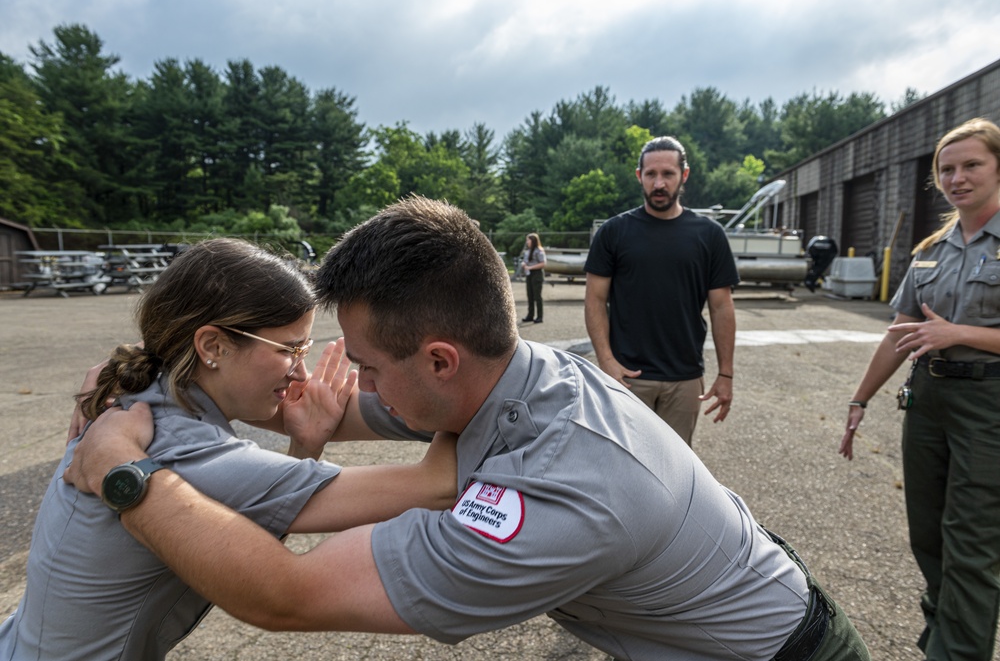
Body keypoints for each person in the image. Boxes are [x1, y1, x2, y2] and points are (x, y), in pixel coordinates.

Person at [66, 197, 870, 661]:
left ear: (441, 359)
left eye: (368, 365)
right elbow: (334, 409)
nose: (358, 384)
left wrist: (124, 474)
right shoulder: (508, 376)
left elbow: (284, 595)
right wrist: (270, 405)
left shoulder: (564, 495)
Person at [0, 238, 456, 661]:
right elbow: (437, 485)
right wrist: (464, 382)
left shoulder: (146, 390)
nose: (301, 374)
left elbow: (238, 525)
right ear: (213, 345)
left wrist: (307, 442)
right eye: (289, 350)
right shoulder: (179, 445)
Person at [840, 117, 1000, 661]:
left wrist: (959, 333)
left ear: (997, 167)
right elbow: (899, 334)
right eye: (947, 169)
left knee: (972, 543)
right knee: (928, 535)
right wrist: (860, 398)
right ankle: (945, 636)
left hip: (989, 405)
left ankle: (957, 653)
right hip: (929, 402)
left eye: (972, 164)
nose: (958, 178)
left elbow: (938, 332)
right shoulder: (932, 248)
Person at [584, 136, 739, 446]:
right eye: (651, 174)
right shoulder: (614, 232)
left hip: (684, 379)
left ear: (684, 175)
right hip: (627, 377)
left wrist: (726, 374)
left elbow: (722, 307)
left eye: (667, 174)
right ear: (639, 175)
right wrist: (607, 362)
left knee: (676, 473)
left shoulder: (709, 234)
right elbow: (595, 300)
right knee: (623, 467)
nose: (659, 183)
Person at [521, 232, 546, 323]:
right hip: (529, 275)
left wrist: (530, 267)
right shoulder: (528, 251)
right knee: (530, 295)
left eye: (528, 240)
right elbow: (525, 261)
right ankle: (530, 315)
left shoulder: (539, 251)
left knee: (537, 296)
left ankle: (540, 316)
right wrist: (524, 264)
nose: (527, 242)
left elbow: (543, 264)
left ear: (533, 241)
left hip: (537, 274)